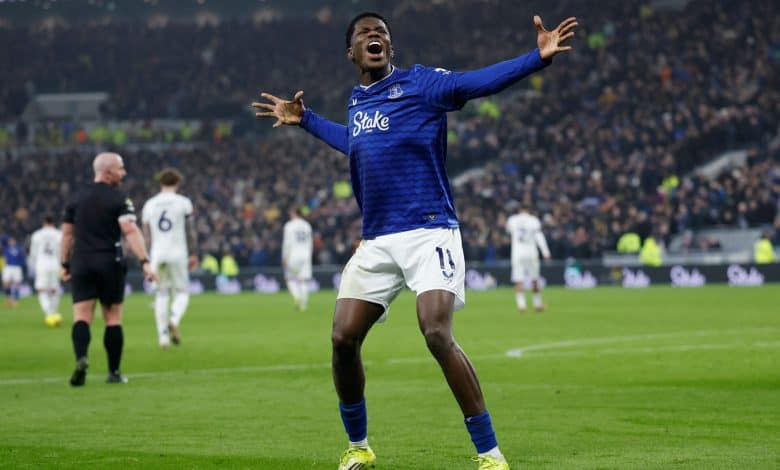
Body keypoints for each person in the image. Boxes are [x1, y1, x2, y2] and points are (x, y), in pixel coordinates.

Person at [253, 11, 576, 469]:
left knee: (436, 332)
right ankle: (359, 447)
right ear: (351, 52)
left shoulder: (421, 84)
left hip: (429, 231)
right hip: (377, 239)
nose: (374, 35)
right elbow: (356, 142)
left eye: (381, 32)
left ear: (390, 47)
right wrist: (306, 120)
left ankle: (489, 454)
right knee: (343, 338)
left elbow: (474, 83)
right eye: (365, 33)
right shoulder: (358, 101)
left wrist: (535, 58)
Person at [61, 152, 156, 386]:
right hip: (109, 262)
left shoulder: (76, 198)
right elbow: (130, 231)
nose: (124, 173)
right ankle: (113, 372)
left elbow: (67, 235)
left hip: (81, 262)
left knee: (81, 316)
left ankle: (81, 358)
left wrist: (65, 263)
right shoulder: (119, 199)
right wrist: (145, 261)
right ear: (107, 172)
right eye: (120, 168)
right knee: (112, 318)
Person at [141, 168, 197, 349]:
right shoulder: (184, 203)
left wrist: (146, 258)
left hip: (158, 253)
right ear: (178, 183)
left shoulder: (149, 204)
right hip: (178, 252)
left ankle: (163, 337)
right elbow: (190, 230)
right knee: (182, 292)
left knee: (161, 293)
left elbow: (146, 235)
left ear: (160, 183)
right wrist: (194, 253)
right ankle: (174, 318)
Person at [506, 205, 550, 312]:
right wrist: (545, 252)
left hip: (517, 253)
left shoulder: (512, 220)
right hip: (531, 252)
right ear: (529, 211)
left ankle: (521, 306)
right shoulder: (534, 220)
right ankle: (537, 304)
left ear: (519, 210)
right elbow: (539, 236)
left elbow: (508, 230)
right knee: (534, 279)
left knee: (519, 280)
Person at [29, 215, 63, 322]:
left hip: (42, 264)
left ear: (44, 223)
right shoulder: (59, 234)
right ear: (53, 222)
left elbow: (33, 253)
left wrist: (33, 266)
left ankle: (48, 313)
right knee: (54, 288)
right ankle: (53, 311)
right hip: (55, 263)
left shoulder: (37, 234)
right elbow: (62, 251)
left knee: (42, 288)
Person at [282, 207, 313, 311]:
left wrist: (284, 257)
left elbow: (287, 243)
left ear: (295, 213)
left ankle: (297, 297)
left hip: (293, 254)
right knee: (303, 280)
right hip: (306, 255)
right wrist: (309, 256)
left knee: (289, 278)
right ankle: (304, 306)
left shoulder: (289, 225)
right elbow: (310, 243)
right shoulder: (307, 225)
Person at [2, 237, 24, 308]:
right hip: (8, 267)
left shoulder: (19, 248)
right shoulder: (6, 248)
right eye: (10, 241)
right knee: (6, 283)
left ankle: (16, 301)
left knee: (17, 284)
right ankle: (9, 298)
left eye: (12, 241)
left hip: (17, 267)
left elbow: (22, 258)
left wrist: (21, 265)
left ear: (15, 241)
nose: (11, 242)